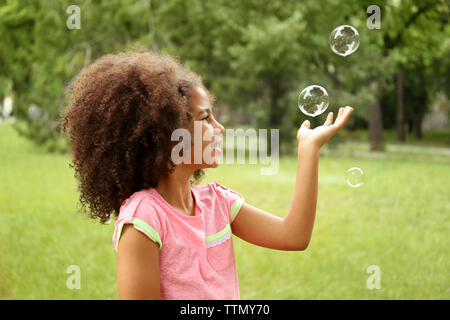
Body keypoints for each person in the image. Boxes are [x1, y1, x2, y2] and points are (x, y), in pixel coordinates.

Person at [59, 50, 353, 300]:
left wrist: (309, 150)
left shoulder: (218, 203)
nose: (219, 128)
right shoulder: (144, 220)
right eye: (205, 118)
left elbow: (294, 235)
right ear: (168, 135)